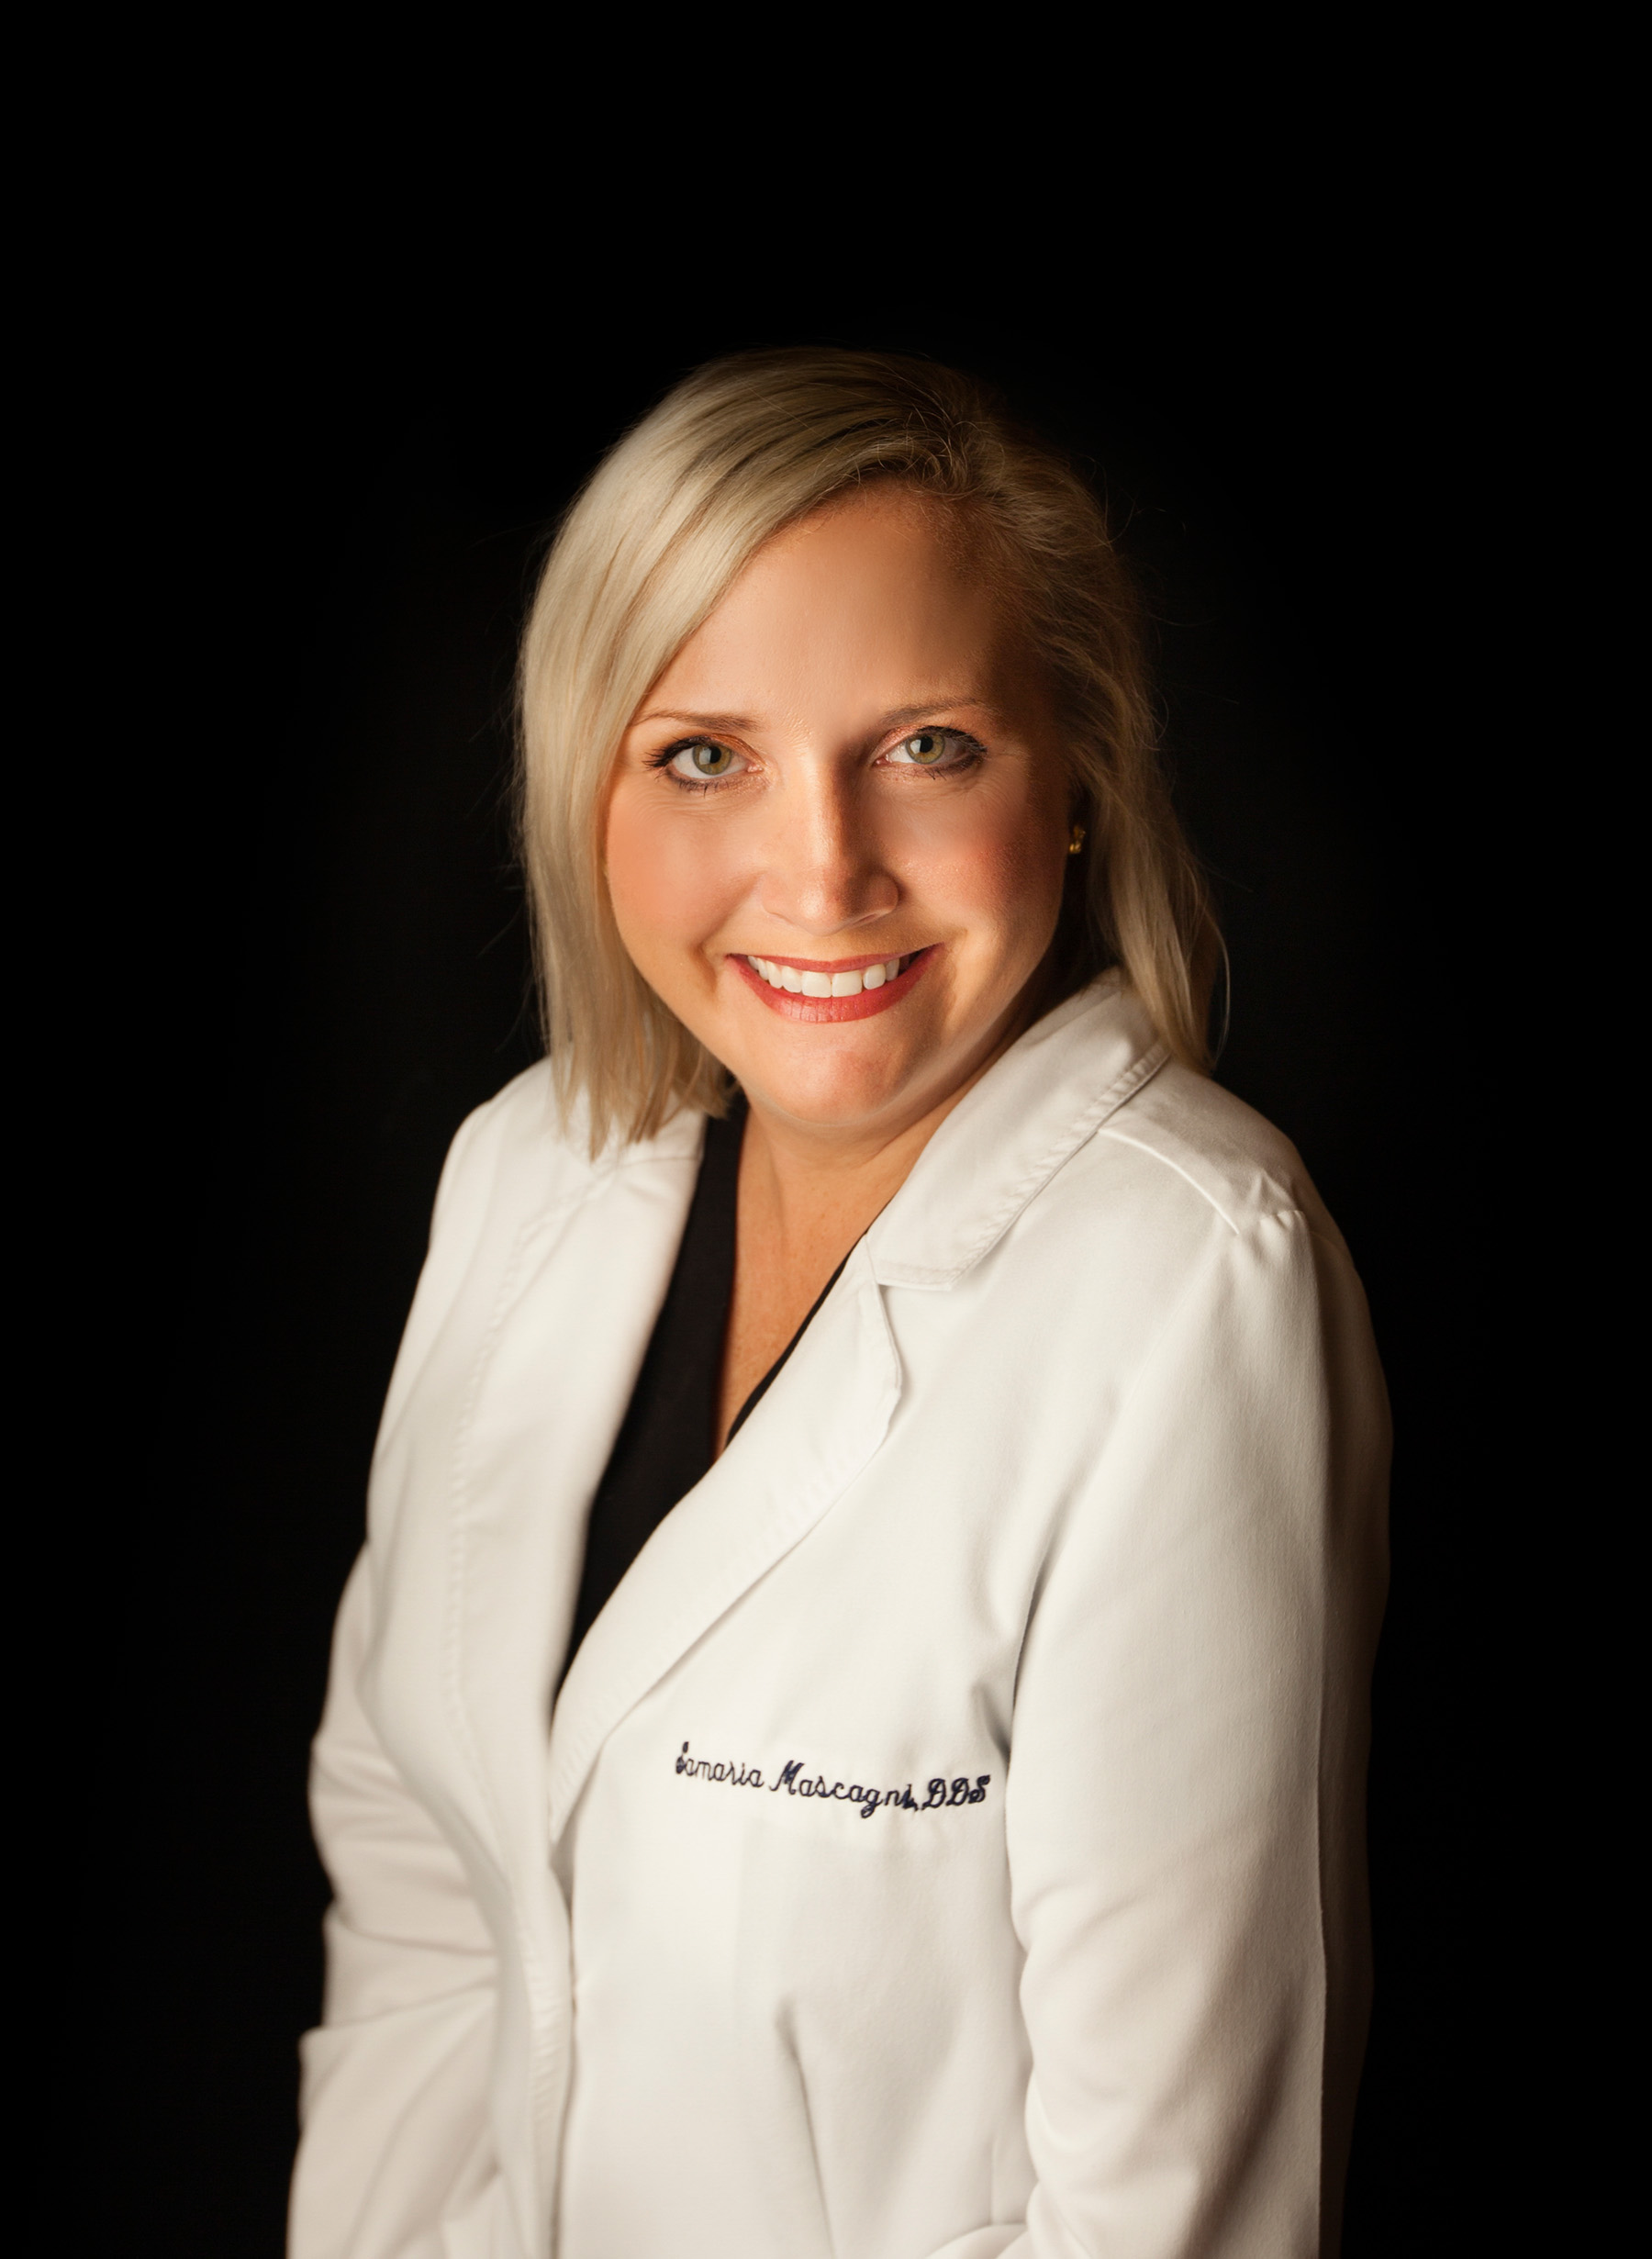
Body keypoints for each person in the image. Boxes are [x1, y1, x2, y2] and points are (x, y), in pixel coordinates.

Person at [288, 351, 1390, 2259]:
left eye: (925, 746)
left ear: (1074, 781)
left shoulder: (1194, 1283)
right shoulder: (528, 1175)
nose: (822, 874)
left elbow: (1168, 2209)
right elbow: (421, 1884)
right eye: (704, 753)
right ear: (590, 791)